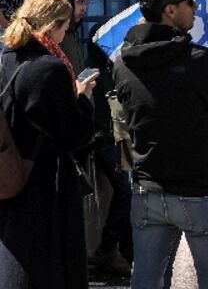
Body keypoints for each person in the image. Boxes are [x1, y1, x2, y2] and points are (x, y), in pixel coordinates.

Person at [114, 0, 208, 289]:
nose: (195, 8)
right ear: (169, 10)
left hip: (148, 190)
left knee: (145, 280)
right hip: (198, 191)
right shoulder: (196, 60)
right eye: (190, 1)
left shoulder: (122, 63)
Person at [0, 0, 97, 289]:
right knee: (48, 260)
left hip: (9, 170)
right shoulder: (50, 69)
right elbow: (75, 134)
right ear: (53, 25)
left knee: (14, 250)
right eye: (64, 28)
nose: (64, 34)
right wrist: (82, 98)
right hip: (46, 179)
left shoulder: (5, 59)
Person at [83, 26, 133, 277]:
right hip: (103, 140)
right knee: (125, 191)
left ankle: (121, 249)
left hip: (119, 139)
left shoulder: (116, 67)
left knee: (128, 193)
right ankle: (109, 246)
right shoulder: (90, 71)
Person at [54, 0, 91, 74]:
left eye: (86, 3)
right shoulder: (55, 35)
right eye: (80, 2)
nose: (84, 8)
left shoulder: (73, 33)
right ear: (66, 2)